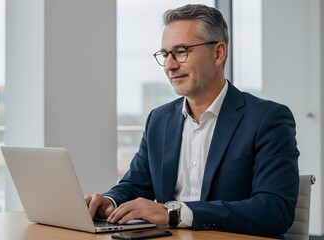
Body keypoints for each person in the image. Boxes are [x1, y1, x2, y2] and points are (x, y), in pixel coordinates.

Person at [85, 4, 299, 239]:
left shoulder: (267, 118)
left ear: (218, 53)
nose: (170, 65)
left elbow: (275, 210)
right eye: (166, 54)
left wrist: (174, 214)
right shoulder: (159, 119)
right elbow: (136, 184)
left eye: (181, 51)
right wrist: (109, 200)